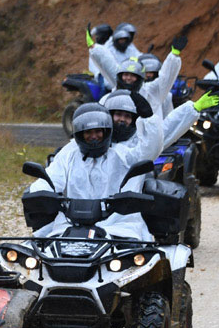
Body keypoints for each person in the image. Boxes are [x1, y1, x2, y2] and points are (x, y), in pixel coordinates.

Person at [29, 103, 152, 241]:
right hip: (71, 224)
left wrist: (150, 120)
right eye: (88, 132)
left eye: (98, 131)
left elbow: (149, 150)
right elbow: (52, 178)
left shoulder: (122, 155)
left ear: (106, 131)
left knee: (137, 257)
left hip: (117, 224)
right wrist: (38, 192)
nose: (94, 136)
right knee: (37, 249)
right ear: (79, 134)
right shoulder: (68, 154)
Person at [101, 89, 160, 164]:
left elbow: (150, 151)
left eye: (127, 116)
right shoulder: (99, 139)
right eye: (118, 114)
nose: (122, 119)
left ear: (133, 120)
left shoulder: (137, 144)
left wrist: (150, 118)